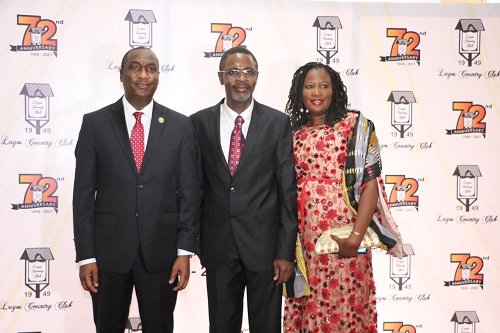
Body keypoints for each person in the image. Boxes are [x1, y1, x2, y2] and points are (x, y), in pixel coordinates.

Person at [72, 47, 201, 333]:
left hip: (162, 253)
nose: (143, 75)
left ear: (158, 76)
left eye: (151, 68)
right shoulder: (95, 124)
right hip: (107, 254)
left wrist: (184, 252)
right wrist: (86, 256)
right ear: (121, 74)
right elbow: (82, 196)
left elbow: (190, 194)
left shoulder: (180, 125)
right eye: (135, 67)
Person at [282, 62, 402, 333]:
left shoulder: (355, 126)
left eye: (325, 86)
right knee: (308, 304)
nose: (317, 92)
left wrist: (356, 238)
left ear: (335, 91)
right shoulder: (291, 132)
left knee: (347, 305)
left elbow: (370, 186)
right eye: (309, 86)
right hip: (304, 242)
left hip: (347, 237)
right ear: (298, 93)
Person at [189, 46, 298, 333]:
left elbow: (287, 191)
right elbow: (193, 188)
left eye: (248, 72)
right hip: (217, 246)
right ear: (220, 77)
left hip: (266, 248)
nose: (241, 79)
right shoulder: (198, 123)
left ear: (257, 77)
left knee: (266, 326)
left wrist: (285, 251)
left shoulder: (277, 123)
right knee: (222, 326)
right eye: (233, 72)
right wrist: (196, 242)